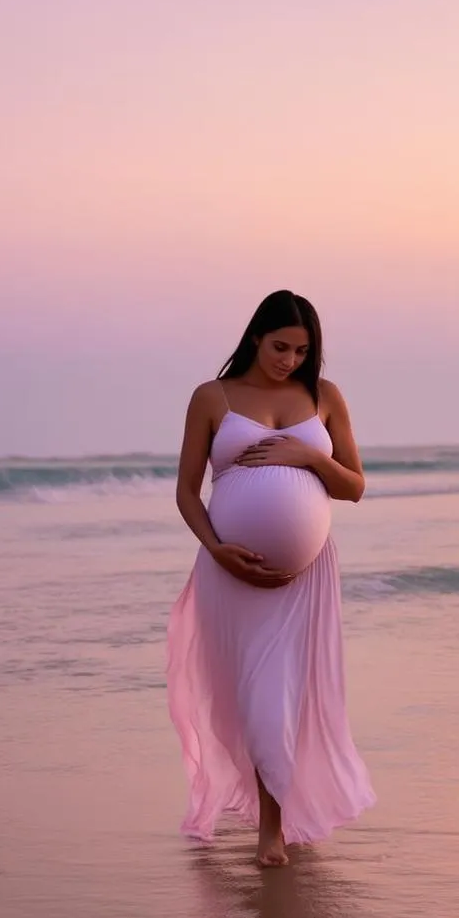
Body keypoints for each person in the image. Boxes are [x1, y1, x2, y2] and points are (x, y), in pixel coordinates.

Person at [166, 289, 375, 867]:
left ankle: (273, 831)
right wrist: (217, 549)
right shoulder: (213, 397)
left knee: (282, 700)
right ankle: (266, 821)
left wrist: (308, 458)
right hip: (231, 572)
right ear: (256, 336)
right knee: (255, 700)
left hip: (305, 579)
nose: (289, 359)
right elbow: (186, 490)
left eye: (302, 350)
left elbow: (354, 486)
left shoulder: (323, 396)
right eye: (280, 346)